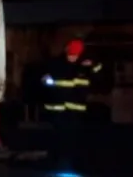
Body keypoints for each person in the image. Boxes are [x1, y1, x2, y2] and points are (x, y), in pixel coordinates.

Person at [41, 38, 102, 166]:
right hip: (57, 108)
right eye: (70, 55)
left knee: (74, 137)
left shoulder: (84, 66)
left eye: (75, 55)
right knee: (57, 136)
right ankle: (55, 160)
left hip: (76, 109)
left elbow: (99, 74)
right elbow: (44, 80)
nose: (72, 58)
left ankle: (72, 160)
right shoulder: (55, 64)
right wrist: (46, 82)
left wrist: (92, 65)